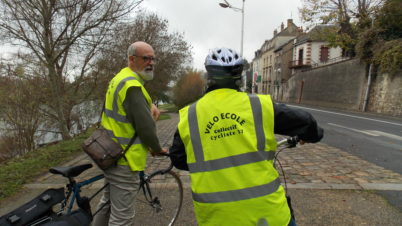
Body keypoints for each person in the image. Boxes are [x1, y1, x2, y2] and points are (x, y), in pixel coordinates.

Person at [169, 47, 323, 226]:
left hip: (216, 217)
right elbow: (307, 122)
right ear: (239, 78)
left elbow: (178, 158)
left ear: (208, 77)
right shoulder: (260, 105)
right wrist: (313, 135)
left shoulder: (190, 115)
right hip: (267, 215)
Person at [93, 41, 167, 226]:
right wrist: (156, 148)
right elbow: (146, 127)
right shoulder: (132, 86)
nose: (151, 62)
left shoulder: (120, 78)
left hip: (110, 153)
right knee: (122, 218)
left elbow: (124, 108)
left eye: (152, 58)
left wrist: (147, 104)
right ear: (132, 59)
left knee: (107, 205)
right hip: (125, 159)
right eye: (146, 58)